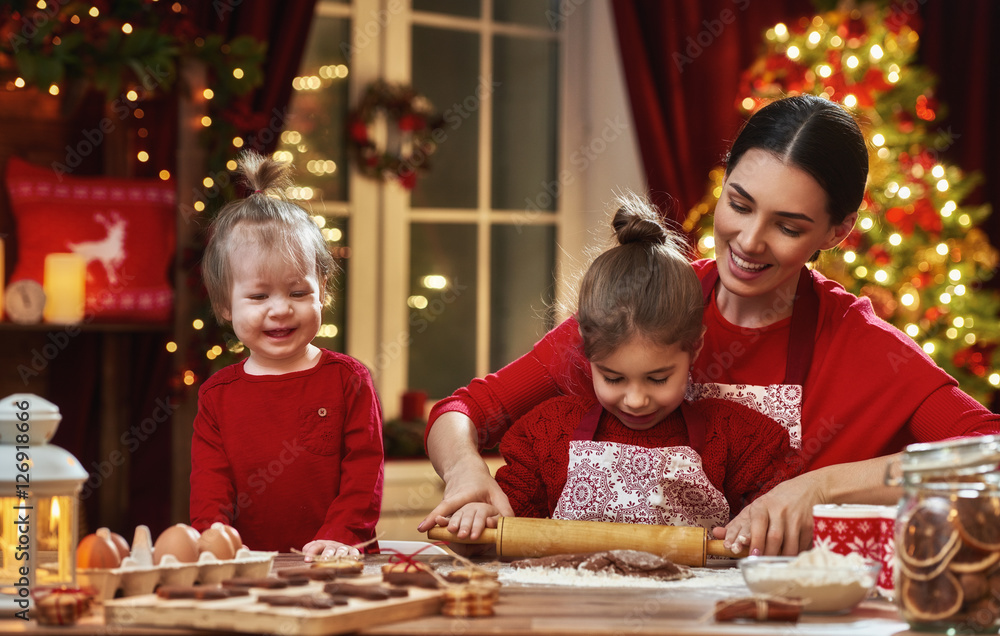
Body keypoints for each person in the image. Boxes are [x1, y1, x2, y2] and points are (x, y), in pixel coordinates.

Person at [420, 94, 1000, 556]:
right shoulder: (646, 303)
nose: (749, 242)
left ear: (837, 232)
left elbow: (990, 453)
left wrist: (821, 487)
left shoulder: (860, 344)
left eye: (789, 226)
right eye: (740, 204)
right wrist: (466, 471)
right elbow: (461, 411)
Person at [443, 199, 797, 547]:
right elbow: (500, 535)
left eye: (658, 379)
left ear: (695, 348)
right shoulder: (545, 436)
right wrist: (474, 521)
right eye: (613, 378)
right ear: (585, 349)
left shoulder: (739, 440)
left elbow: (781, 521)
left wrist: (763, 530)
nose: (636, 400)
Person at [190, 151, 384, 561]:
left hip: (335, 561)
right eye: (259, 296)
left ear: (323, 291)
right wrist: (213, 539)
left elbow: (364, 474)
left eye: (298, 293)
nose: (280, 309)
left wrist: (340, 535)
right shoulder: (216, 396)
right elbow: (210, 485)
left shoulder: (348, 379)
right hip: (247, 568)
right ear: (225, 304)